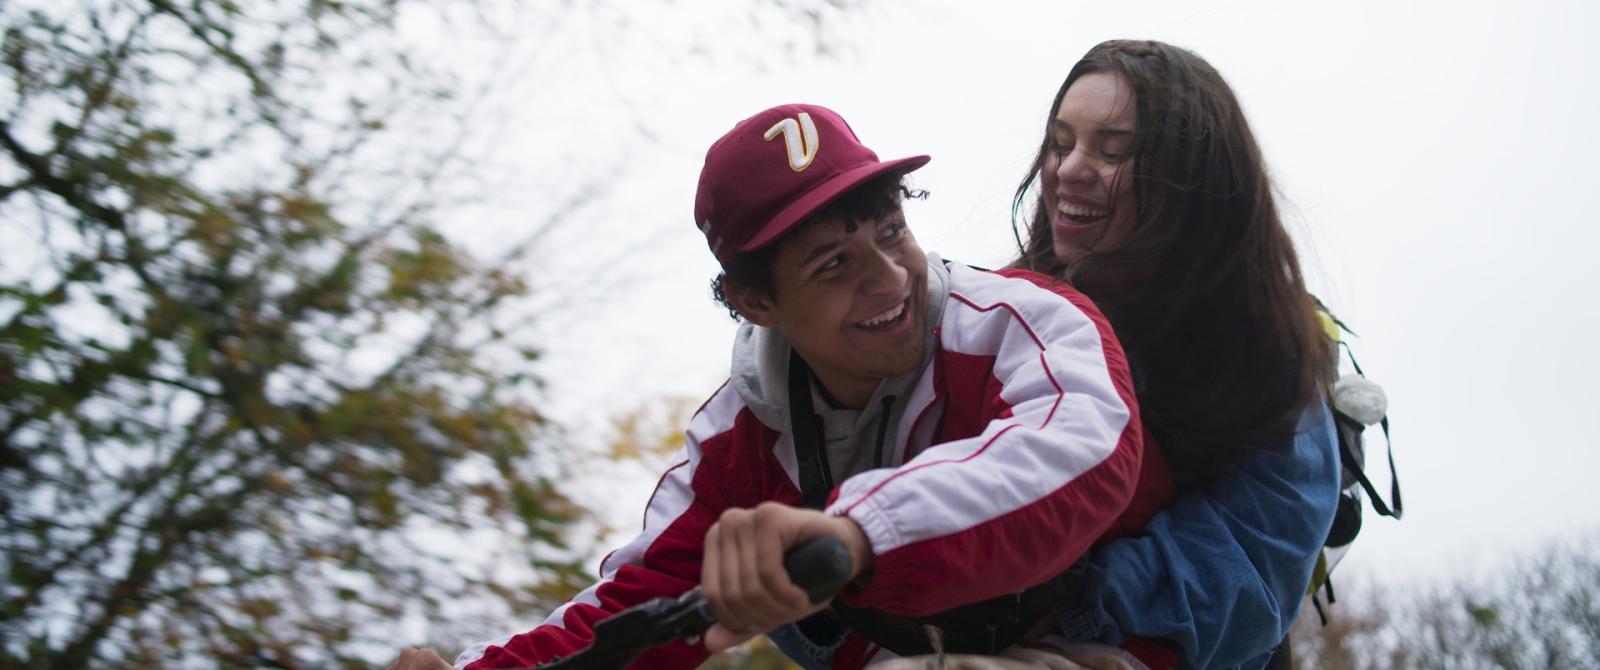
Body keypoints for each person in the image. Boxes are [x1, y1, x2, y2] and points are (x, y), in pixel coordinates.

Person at [386, 102, 1174, 670]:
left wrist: (857, 534)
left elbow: (1084, 448)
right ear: (753, 303)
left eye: (890, 230)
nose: (887, 278)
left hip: (1108, 646)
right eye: (834, 263)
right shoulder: (733, 448)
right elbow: (628, 614)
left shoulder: (1026, 321)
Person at [1001, 40, 1344, 669]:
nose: (1070, 169)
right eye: (1060, 142)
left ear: (1195, 180)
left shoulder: (1269, 351)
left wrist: (1053, 599)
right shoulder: (1002, 312)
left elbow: (1252, 570)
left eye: (1114, 150)